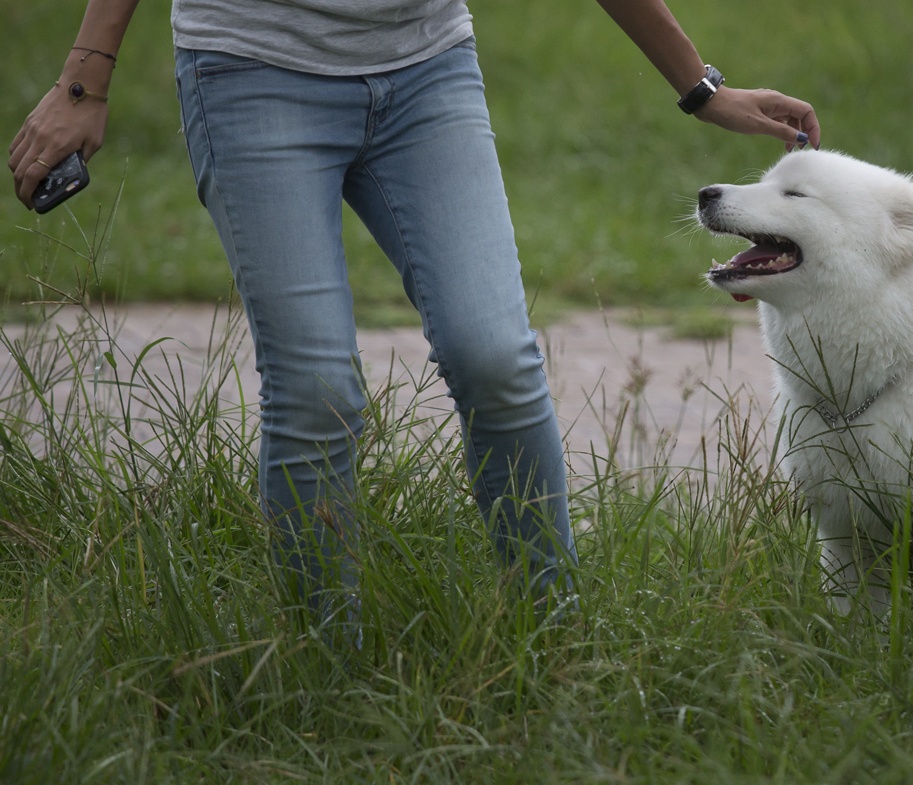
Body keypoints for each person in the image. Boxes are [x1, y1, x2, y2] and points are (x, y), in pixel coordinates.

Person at [8, 0, 822, 628]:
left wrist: (701, 87)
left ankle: (555, 636)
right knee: (317, 388)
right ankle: (324, 663)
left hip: (426, 73)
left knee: (495, 356)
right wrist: (84, 82)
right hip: (250, 74)